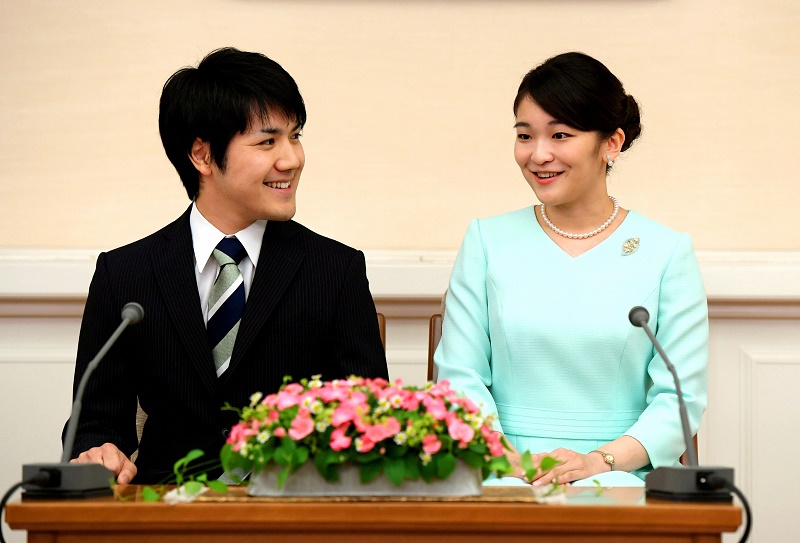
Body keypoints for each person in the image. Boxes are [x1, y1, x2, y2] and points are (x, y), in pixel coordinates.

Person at [66, 47, 389, 484]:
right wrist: (99, 453)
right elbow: (95, 426)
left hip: (291, 516)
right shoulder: (124, 275)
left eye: (295, 136)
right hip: (163, 515)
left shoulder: (335, 271)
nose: (291, 159)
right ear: (202, 155)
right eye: (267, 141)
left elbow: (369, 425)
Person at [434, 52, 707, 487]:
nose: (538, 154)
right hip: (501, 468)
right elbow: (459, 377)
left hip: (621, 470)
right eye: (525, 136)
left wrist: (600, 460)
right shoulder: (487, 240)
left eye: (560, 135)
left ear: (611, 143)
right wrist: (507, 460)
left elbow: (680, 396)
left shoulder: (666, 251)